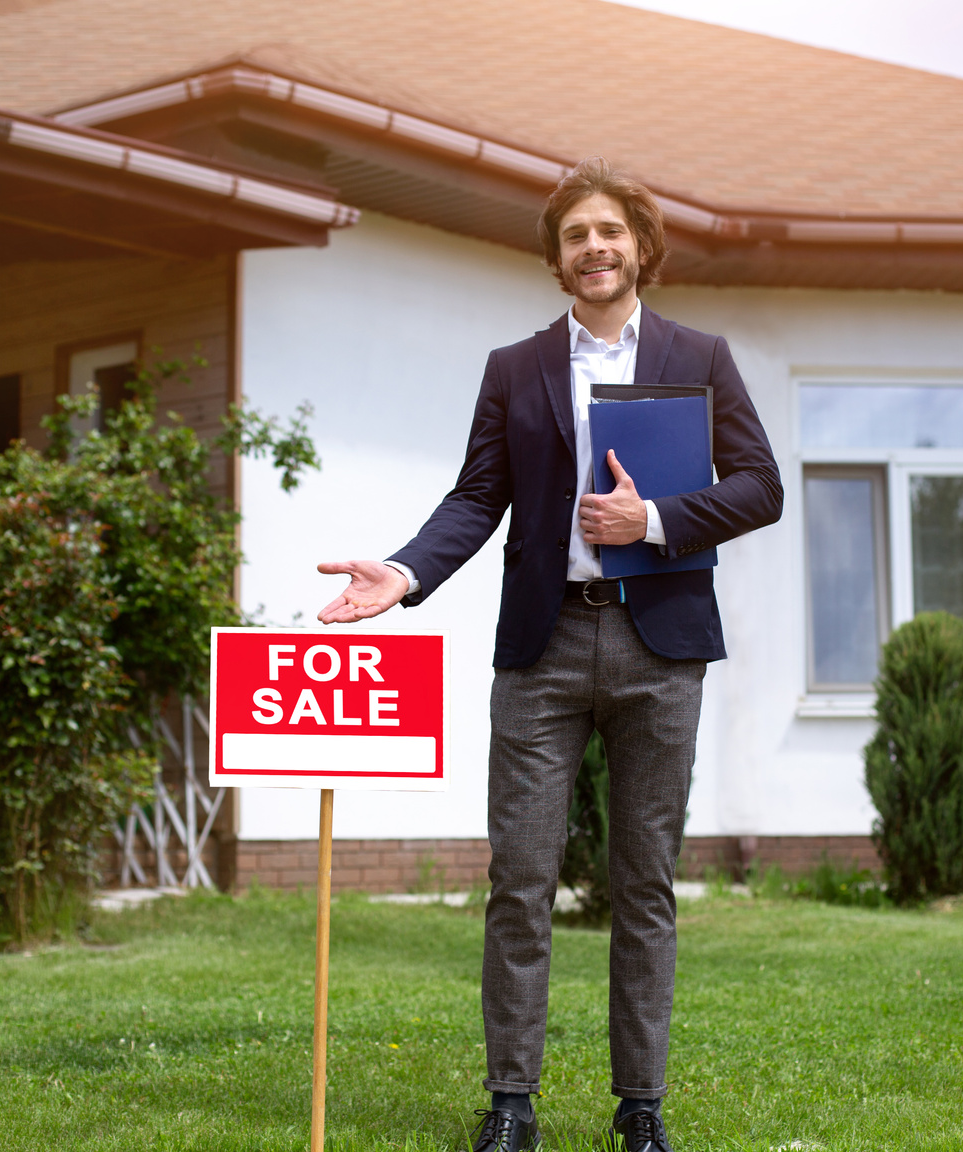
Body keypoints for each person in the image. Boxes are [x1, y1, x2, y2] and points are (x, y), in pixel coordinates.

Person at [316, 157, 783, 1152]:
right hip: (545, 646)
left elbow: (760, 487)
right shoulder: (516, 368)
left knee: (644, 883)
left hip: (662, 646)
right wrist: (403, 575)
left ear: (639, 247)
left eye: (609, 232)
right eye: (576, 236)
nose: (594, 249)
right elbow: (477, 498)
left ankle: (641, 1109)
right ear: (557, 258)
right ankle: (512, 1103)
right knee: (520, 877)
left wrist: (653, 518)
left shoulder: (700, 356)